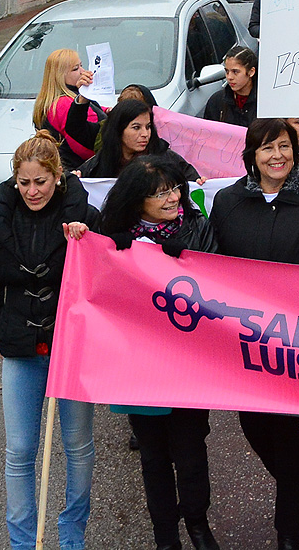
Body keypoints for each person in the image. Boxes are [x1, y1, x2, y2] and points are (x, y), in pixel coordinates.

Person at [208, 118, 299, 550]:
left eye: (284, 146)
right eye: (267, 148)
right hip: (249, 345)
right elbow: (210, 263)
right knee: (258, 429)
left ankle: (291, 530)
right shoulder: (229, 202)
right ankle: (295, 489)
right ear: (252, 154)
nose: (277, 156)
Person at [96, 154, 220, 550]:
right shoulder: (115, 239)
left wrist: (183, 260)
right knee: (152, 455)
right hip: (139, 364)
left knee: (190, 451)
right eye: (160, 193)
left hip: (188, 361)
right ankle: (165, 535)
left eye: (174, 188)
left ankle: (198, 525)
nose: (172, 197)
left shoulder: (198, 227)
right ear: (137, 202)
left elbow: (219, 281)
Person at [0, 133, 99, 550]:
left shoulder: (82, 213)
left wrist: (86, 239)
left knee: (77, 446)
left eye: (41, 182)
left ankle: (72, 536)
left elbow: (105, 270)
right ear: (14, 180)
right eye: (24, 183)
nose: (32, 191)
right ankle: (23, 543)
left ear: (58, 176)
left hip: (70, 346)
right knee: (19, 451)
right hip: (19, 346)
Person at [76, 99, 199, 181]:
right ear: (119, 129)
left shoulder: (166, 157)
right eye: (136, 128)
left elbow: (192, 181)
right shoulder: (99, 162)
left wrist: (200, 183)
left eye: (148, 127)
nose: (145, 134)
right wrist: (74, 181)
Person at [33, 48, 106, 170]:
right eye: (76, 69)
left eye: (81, 66)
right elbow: (87, 144)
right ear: (60, 76)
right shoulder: (64, 103)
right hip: (81, 172)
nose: (83, 72)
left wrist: (105, 110)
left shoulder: (52, 101)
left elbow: (93, 109)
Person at [201, 45, 258, 127]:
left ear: (251, 72)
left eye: (235, 72)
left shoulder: (264, 103)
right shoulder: (217, 101)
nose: (229, 77)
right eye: (227, 71)